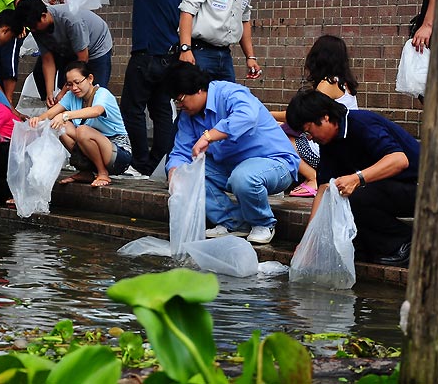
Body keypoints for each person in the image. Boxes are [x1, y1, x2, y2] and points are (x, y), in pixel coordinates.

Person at [62, 0, 180, 175]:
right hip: (168, 54)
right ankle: (159, 162)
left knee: (132, 108)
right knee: (160, 109)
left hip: (147, 55)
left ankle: (139, 162)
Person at [165, 61, 299, 245]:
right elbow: (181, 151)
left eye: (180, 99)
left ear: (198, 90)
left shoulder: (230, 93)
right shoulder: (189, 116)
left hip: (275, 163)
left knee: (243, 177)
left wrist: (209, 136)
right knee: (185, 175)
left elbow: (247, 116)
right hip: (231, 168)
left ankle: (263, 223)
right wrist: (174, 173)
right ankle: (234, 222)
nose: (180, 105)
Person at [286, 89, 420, 265]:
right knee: (337, 198)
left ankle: (405, 242)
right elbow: (323, 189)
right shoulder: (329, 142)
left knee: (355, 196)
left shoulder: (362, 124)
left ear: (325, 117)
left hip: (422, 188)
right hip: (389, 191)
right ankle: (369, 248)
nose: (309, 138)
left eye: (309, 130)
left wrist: (357, 178)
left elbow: (399, 160)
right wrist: (308, 242)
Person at [273, 34, 359, 199]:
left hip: (328, 150)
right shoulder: (344, 82)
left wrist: (268, 114)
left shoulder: (328, 83)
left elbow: (303, 114)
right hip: (344, 148)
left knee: (277, 133)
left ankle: (312, 177)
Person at [29, 61, 132, 188]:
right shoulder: (71, 96)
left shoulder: (102, 94)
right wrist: (37, 120)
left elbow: (96, 111)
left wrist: (65, 115)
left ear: (90, 78)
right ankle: (86, 171)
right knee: (60, 126)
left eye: (78, 83)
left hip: (118, 154)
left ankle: (102, 173)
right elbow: (51, 113)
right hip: (92, 150)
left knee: (82, 130)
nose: (74, 88)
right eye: (70, 84)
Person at [14, 0, 113, 107]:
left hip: (95, 48)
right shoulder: (37, 27)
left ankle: (94, 119)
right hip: (66, 49)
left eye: (33, 26)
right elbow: (48, 60)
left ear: (43, 16)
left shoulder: (70, 20)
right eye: (29, 27)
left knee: (95, 93)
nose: (32, 30)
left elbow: (82, 59)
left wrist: (63, 92)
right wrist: (50, 93)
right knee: (66, 95)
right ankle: (70, 120)